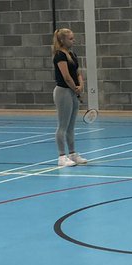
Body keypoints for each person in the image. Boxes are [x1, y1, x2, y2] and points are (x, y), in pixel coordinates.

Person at [52, 28, 88, 168]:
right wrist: (75, 89)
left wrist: (81, 85)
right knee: (62, 125)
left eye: (73, 38)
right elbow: (66, 77)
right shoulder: (59, 55)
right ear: (62, 40)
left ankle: (72, 154)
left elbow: (77, 73)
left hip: (72, 91)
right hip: (63, 92)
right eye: (71, 39)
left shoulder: (72, 54)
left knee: (71, 127)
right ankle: (62, 156)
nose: (74, 40)